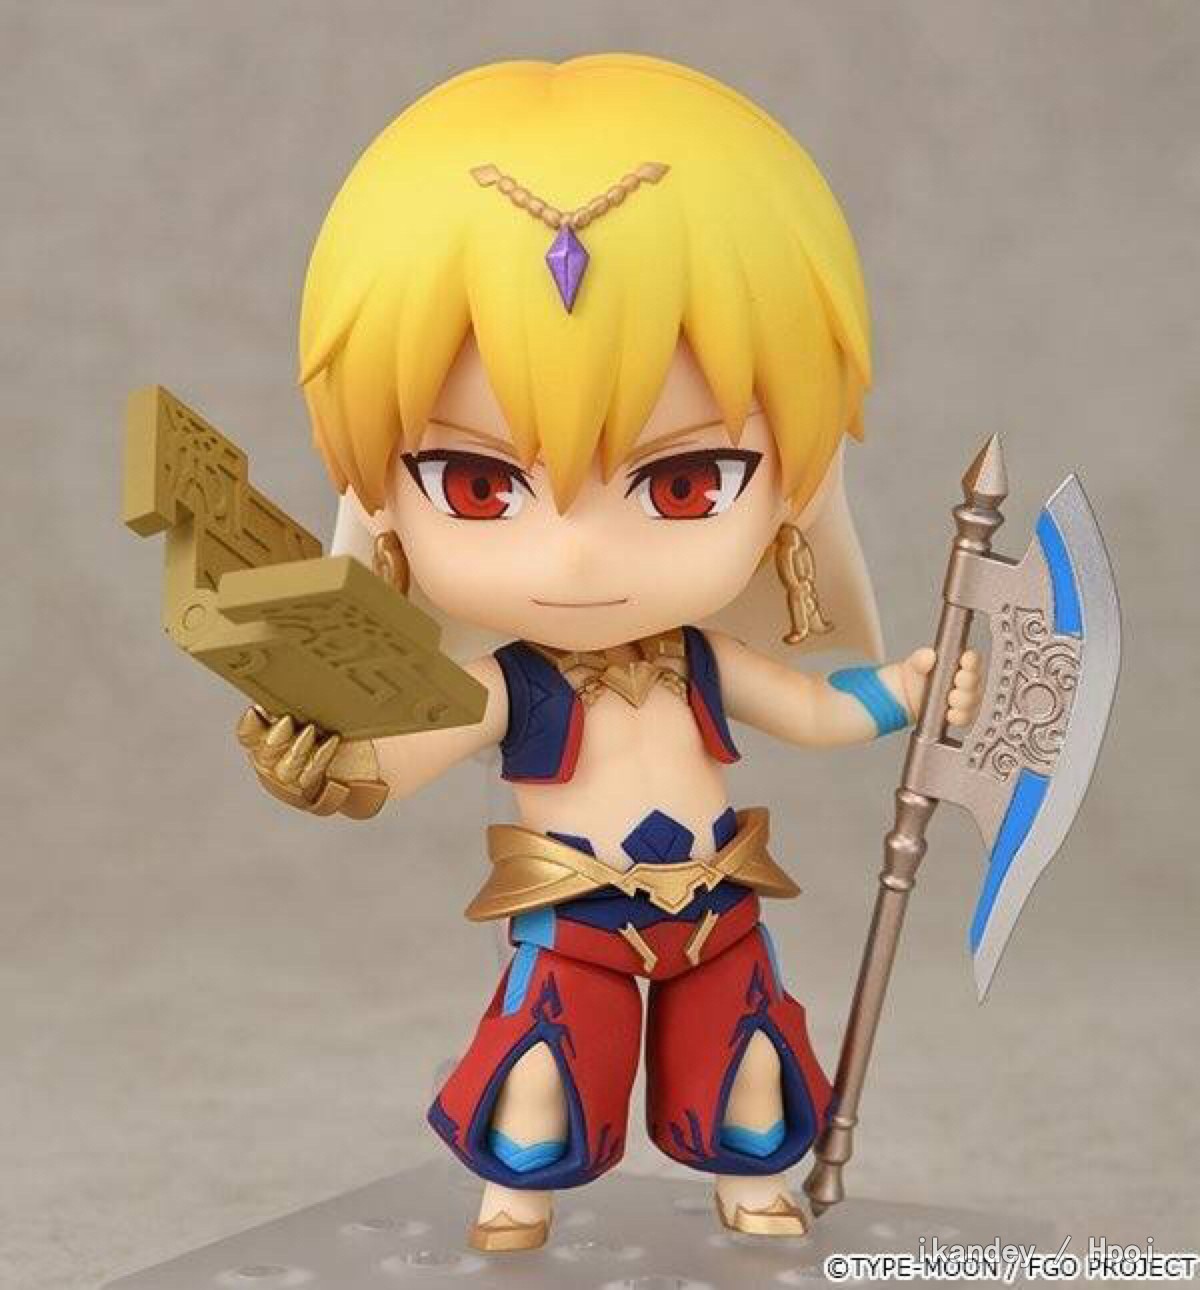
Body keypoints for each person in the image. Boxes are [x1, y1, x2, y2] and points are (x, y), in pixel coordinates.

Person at [238, 54, 982, 1252]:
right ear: (381, 501)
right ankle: (518, 1196)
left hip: (716, 908)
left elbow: (813, 712)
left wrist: (907, 691)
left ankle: (748, 1184)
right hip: (572, 915)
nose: (576, 553)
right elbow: (394, 760)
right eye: (478, 485)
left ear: (793, 489)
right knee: (540, 1085)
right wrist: (324, 770)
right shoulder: (511, 685)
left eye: (684, 483)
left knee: (747, 1075)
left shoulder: (703, 663)